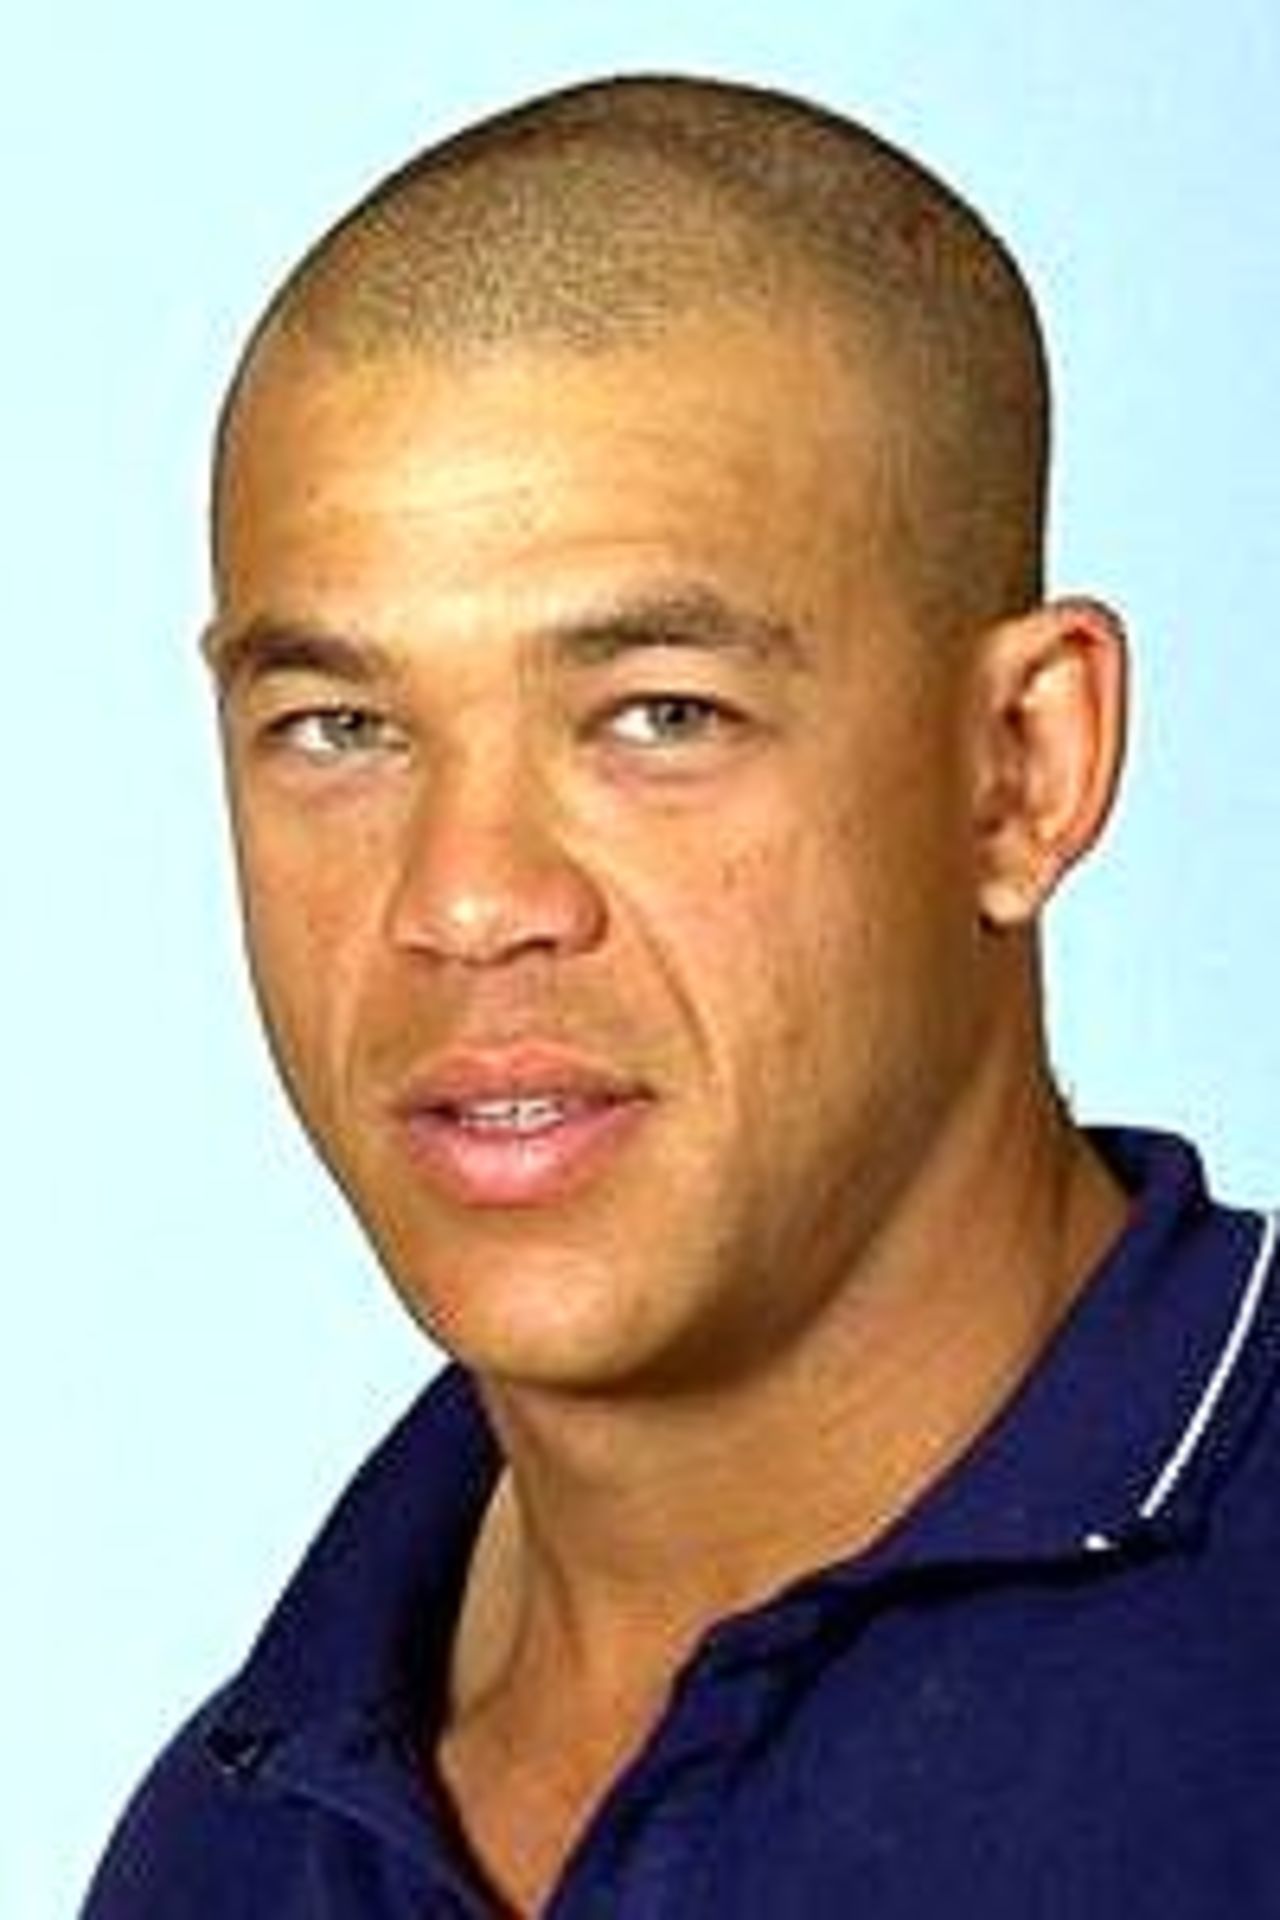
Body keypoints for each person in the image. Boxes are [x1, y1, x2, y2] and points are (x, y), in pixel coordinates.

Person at [82, 72, 1280, 1919]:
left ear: (1022, 768)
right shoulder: (221, 1846)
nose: (468, 898)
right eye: (339, 727)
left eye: (660, 716)